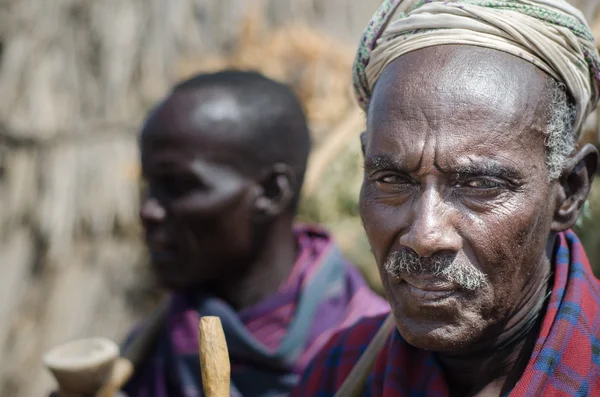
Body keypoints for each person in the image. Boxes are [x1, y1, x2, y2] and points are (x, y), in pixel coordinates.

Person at [293, 1, 600, 396]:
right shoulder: (339, 369)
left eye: (479, 186)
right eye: (392, 179)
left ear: (570, 191)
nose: (425, 236)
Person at [121, 70, 389, 397]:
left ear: (272, 193)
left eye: (180, 186)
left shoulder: (375, 353)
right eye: (149, 187)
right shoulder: (148, 352)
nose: (148, 211)